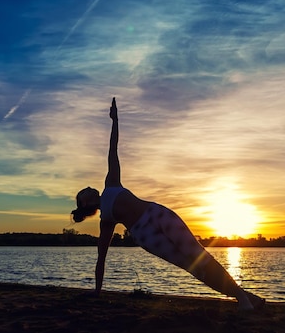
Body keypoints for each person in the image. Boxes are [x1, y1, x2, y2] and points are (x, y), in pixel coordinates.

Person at [71, 98, 265, 310]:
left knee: (198, 255)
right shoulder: (105, 220)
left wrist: (115, 120)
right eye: (84, 190)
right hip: (147, 237)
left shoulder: (112, 183)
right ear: (86, 201)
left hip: (156, 214)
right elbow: (102, 258)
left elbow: (113, 148)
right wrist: (97, 291)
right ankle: (244, 297)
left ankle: (244, 297)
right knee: (195, 269)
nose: (88, 186)